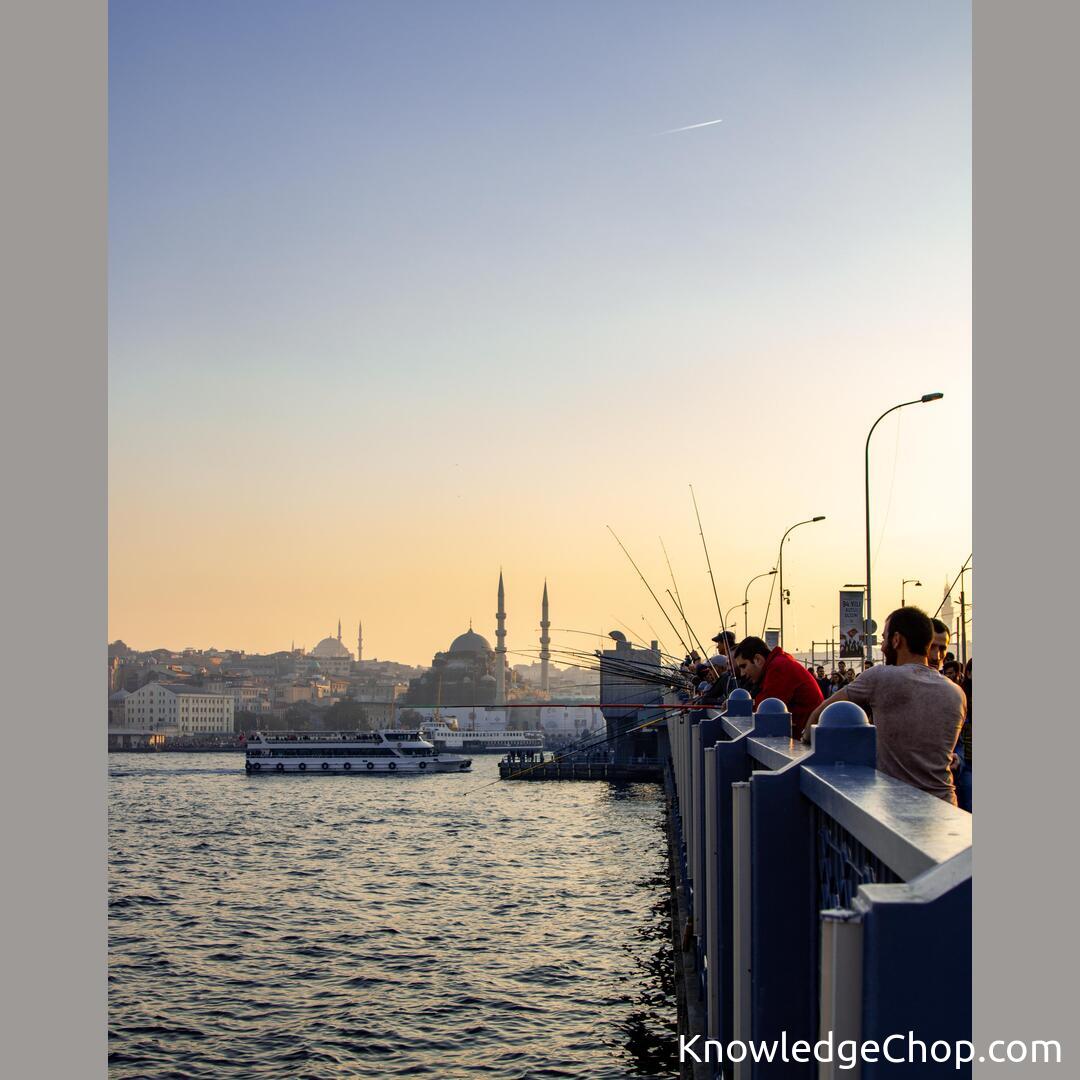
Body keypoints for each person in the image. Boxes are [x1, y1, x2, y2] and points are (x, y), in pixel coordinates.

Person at [802, 606, 967, 806]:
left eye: (883, 638)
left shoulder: (879, 678)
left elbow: (821, 713)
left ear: (896, 640)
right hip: (945, 807)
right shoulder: (956, 693)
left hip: (897, 807)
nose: (881, 646)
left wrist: (805, 740)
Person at [732, 636, 824, 739]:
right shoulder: (779, 663)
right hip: (802, 738)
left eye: (743, 666)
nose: (742, 673)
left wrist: (735, 709)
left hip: (804, 740)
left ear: (758, 659)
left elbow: (763, 709)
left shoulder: (779, 668)